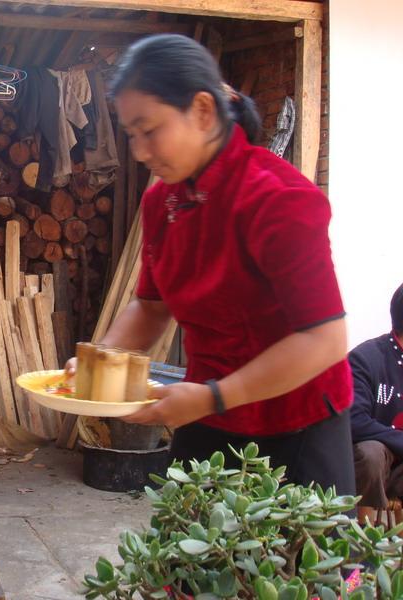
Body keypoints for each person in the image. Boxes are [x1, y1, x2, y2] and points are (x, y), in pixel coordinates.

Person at [67, 34, 355, 494]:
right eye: (132, 134)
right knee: (190, 560)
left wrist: (215, 396)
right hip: (205, 414)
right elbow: (151, 307)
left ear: (202, 111)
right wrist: (99, 365)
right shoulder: (163, 200)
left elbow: (325, 339)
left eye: (150, 129)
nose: (140, 152)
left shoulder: (279, 199)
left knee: (295, 566)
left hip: (296, 422)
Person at [349, 283, 403, 516]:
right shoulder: (365, 358)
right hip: (375, 468)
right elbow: (354, 421)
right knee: (370, 452)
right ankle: (364, 540)